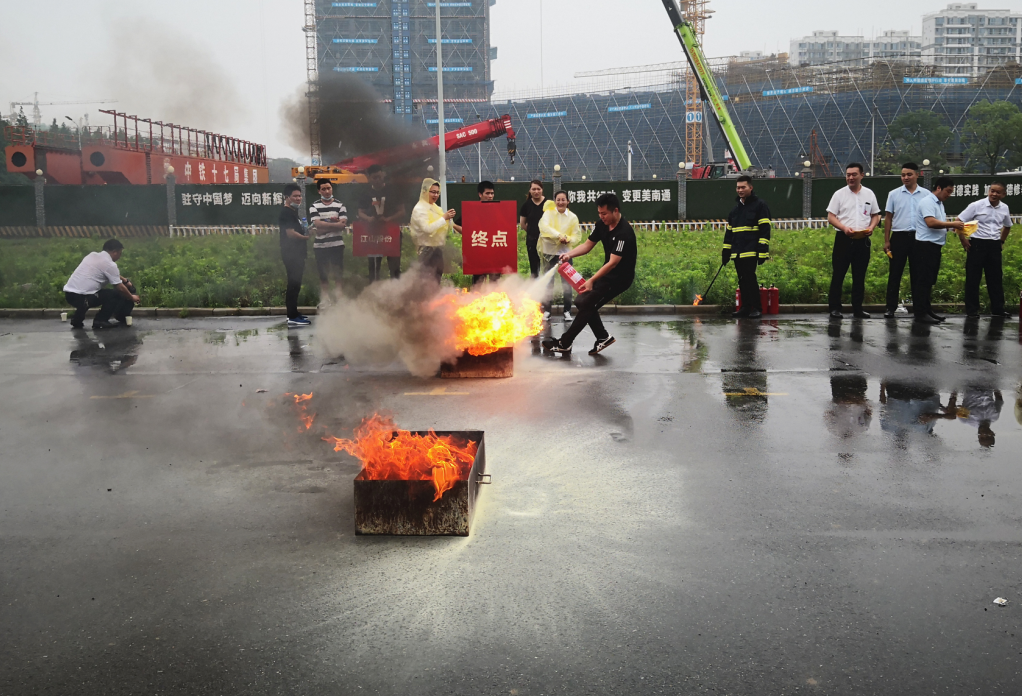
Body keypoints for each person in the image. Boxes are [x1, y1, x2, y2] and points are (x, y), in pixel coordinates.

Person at [543, 193, 636, 356]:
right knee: (581, 301)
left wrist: (592, 280)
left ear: (615, 211)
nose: (601, 217)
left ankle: (565, 343)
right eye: (599, 213)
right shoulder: (602, 225)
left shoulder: (624, 233)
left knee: (586, 303)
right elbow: (587, 245)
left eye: (604, 214)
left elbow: (613, 262)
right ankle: (602, 337)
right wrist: (569, 255)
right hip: (609, 275)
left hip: (620, 279)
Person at [826, 163, 880, 319]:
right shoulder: (839, 194)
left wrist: (872, 227)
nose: (850, 177)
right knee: (838, 275)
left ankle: (858, 308)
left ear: (862, 175)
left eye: (854, 174)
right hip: (844, 239)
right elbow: (831, 217)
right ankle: (835, 308)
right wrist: (843, 228)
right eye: (848, 174)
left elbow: (876, 215)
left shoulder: (869, 194)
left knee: (859, 276)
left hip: (863, 239)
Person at [957, 181, 1013, 318]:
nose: (994, 194)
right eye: (992, 190)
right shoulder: (976, 205)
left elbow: (1008, 226)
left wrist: (1001, 241)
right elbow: (959, 220)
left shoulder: (1004, 208)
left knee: (995, 278)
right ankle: (972, 310)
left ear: (1003, 195)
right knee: (973, 278)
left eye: (997, 192)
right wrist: (963, 239)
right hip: (977, 244)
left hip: (994, 245)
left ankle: (997, 309)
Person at [912, 176, 964, 325]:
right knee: (923, 281)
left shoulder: (939, 203)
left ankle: (927, 310)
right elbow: (931, 222)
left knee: (929, 281)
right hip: (925, 247)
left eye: (951, 192)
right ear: (939, 188)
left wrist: (951, 226)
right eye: (947, 191)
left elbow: (939, 223)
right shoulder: (928, 202)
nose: (949, 195)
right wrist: (952, 224)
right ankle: (920, 313)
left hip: (934, 246)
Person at [882, 162, 928, 318]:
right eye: (903, 175)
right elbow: (888, 218)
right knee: (895, 273)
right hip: (899, 237)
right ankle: (890, 307)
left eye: (909, 174)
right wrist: (887, 240)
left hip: (919, 238)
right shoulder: (894, 194)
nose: (906, 177)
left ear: (917, 175)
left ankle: (919, 308)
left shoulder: (926, 194)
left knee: (918, 274)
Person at [722, 174, 771, 319]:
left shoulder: (760, 206)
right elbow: (729, 232)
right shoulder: (735, 210)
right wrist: (726, 250)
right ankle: (745, 307)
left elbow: (765, 229)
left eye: (743, 187)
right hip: (737, 252)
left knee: (750, 279)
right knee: (742, 280)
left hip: (751, 251)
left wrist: (762, 250)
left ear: (751, 187)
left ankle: (756, 308)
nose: (740, 190)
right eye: (738, 187)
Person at [63, 238, 139, 330]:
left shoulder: (92, 255)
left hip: (70, 295)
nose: (120, 256)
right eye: (120, 253)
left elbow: (112, 274)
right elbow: (120, 288)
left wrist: (125, 281)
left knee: (92, 292)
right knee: (115, 294)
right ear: (115, 252)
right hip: (83, 297)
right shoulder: (109, 264)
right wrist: (132, 297)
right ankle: (101, 320)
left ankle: (77, 319)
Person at [538, 190, 582, 321]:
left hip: (566, 254)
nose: (561, 202)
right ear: (555, 201)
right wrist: (558, 236)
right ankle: (547, 310)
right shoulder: (548, 213)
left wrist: (568, 239)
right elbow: (544, 228)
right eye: (558, 199)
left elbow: (577, 235)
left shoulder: (573, 217)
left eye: (563, 200)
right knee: (548, 283)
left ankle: (567, 311)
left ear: (568, 201)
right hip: (549, 252)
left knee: (567, 283)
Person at [358, 164, 406, 282]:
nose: (377, 180)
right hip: (373, 234)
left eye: (379, 177)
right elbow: (360, 212)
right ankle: (375, 294)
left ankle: (396, 293)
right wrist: (369, 219)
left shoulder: (393, 191)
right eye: (374, 178)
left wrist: (389, 219)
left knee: (394, 266)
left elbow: (402, 211)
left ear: (383, 175)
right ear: (369, 178)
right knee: (374, 268)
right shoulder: (365, 194)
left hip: (392, 233)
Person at [453, 180, 501, 287]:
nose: (490, 196)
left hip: (494, 250)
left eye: (492, 193)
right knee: (478, 282)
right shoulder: (471, 210)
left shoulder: (498, 209)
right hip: (478, 250)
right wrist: (469, 233)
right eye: (487, 193)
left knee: (495, 282)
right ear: (480, 194)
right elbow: (456, 225)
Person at [309, 180, 348, 307]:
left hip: (337, 245)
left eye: (329, 188)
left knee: (338, 273)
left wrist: (323, 228)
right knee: (323, 274)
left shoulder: (340, 205)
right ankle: (325, 299)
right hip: (320, 246)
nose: (326, 191)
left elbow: (342, 225)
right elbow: (317, 224)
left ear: (332, 189)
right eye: (323, 189)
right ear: (319, 191)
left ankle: (339, 297)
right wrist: (335, 225)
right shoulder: (314, 206)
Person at [409, 178, 455, 283]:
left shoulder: (435, 207)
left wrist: (448, 219)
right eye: (433, 192)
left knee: (437, 278)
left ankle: (435, 299)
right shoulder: (419, 209)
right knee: (425, 279)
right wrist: (444, 217)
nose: (436, 195)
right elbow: (427, 229)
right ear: (425, 191)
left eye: (437, 193)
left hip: (437, 248)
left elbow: (442, 225)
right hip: (425, 250)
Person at [278, 183, 311, 327]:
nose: (298, 199)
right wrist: (306, 238)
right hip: (291, 254)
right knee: (293, 284)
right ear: (287, 197)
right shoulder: (286, 213)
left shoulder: (292, 212)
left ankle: (294, 312)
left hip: (297, 253)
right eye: (295, 196)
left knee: (296, 285)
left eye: (299, 196)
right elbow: (290, 233)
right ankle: (291, 316)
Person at [519, 179, 546, 278]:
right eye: (533, 189)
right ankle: (535, 290)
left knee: (547, 268)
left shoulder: (549, 204)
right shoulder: (526, 205)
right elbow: (523, 224)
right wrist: (532, 232)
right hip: (532, 241)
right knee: (534, 269)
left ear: (542, 190)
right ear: (530, 191)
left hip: (547, 241)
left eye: (538, 189)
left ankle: (548, 291)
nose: (536, 191)